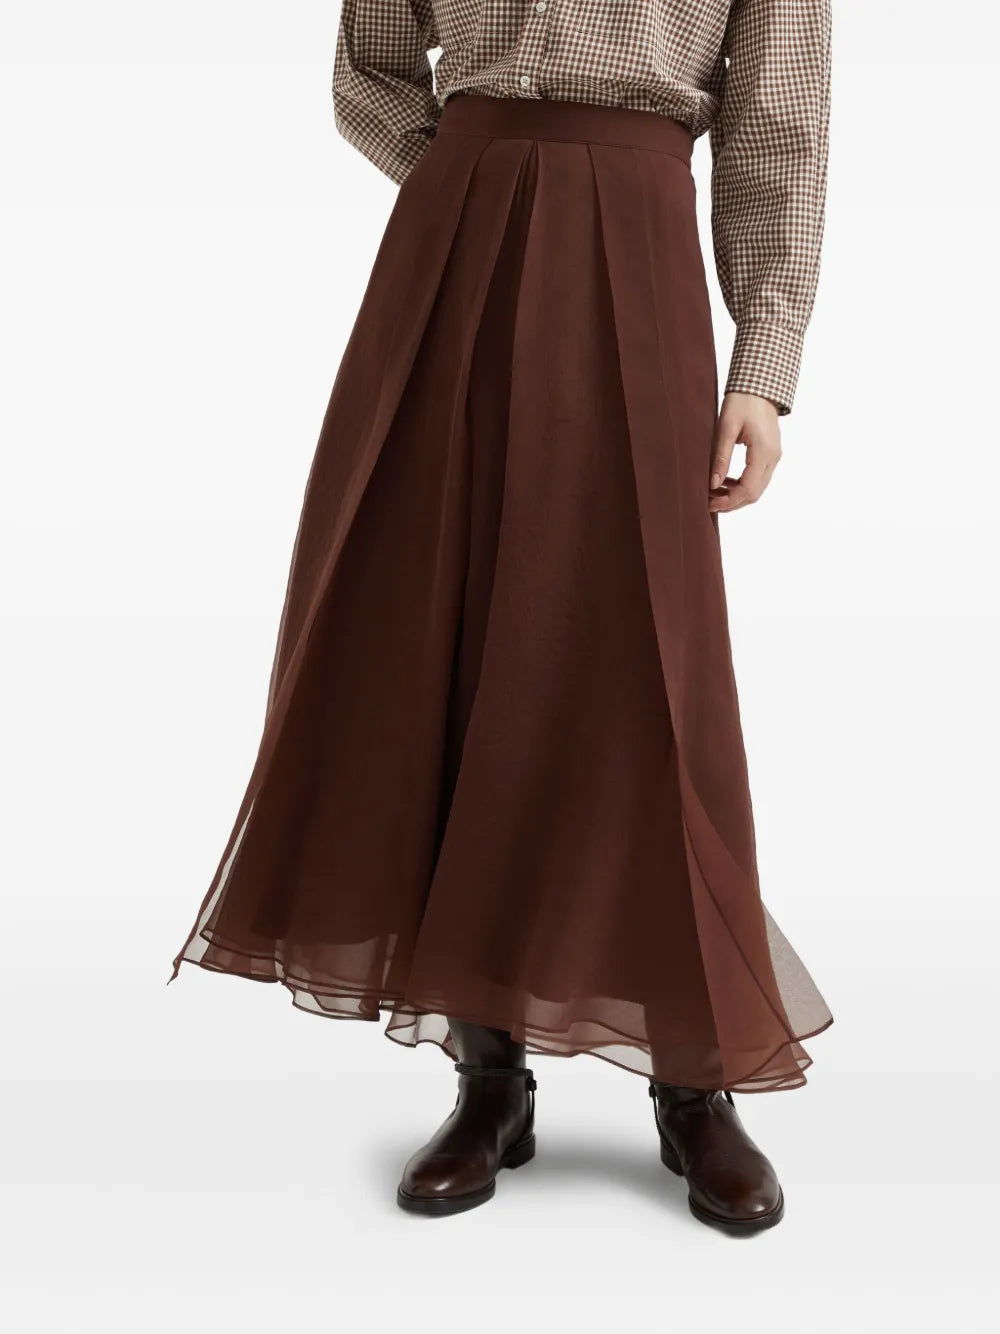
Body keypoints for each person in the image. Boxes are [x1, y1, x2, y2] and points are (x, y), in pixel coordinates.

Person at [170, 0, 834, 1235]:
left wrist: (764, 362)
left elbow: (777, 126)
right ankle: (487, 1071)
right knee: (443, 637)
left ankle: (693, 1078)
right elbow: (370, 66)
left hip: (638, 240)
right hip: (454, 252)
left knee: (649, 676)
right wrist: (475, 179)